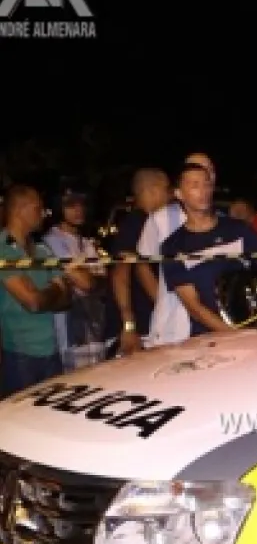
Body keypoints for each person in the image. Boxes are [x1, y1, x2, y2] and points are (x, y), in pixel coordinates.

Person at [160, 162, 257, 336]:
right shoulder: (173, 246)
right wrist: (233, 334)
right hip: (211, 339)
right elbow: (194, 306)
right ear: (179, 194)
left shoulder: (238, 230)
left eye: (207, 184)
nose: (204, 190)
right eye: (195, 185)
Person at [0, 185, 93, 396]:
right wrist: (56, 288)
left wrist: (48, 293)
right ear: (19, 210)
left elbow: (67, 299)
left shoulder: (42, 249)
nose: (44, 213)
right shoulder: (3, 249)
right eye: (38, 208)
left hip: (52, 350)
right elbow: (33, 302)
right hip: (19, 355)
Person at [139, 152, 215, 347]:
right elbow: (142, 264)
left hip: (214, 323)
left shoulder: (224, 223)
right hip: (174, 328)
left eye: (207, 172)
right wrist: (163, 300)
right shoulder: (160, 220)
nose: (201, 177)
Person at [42, 187, 110, 372]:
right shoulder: (51, 242)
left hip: (94, 326)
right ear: (58, 208)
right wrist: (90, 279)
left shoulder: (86, 242)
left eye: (81, 204)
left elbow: (102, 282)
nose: (78, 209)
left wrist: (90, 279)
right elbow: (86, 283)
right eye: (70, 205)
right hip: (70, 332)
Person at [108, 169, 170, 355]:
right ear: (151, 191)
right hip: (137, 330)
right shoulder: (136, 223)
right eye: (166, 189)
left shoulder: (151, 223)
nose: (170, 194)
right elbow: (121, 274)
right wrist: (129, 325)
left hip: (148, 325)